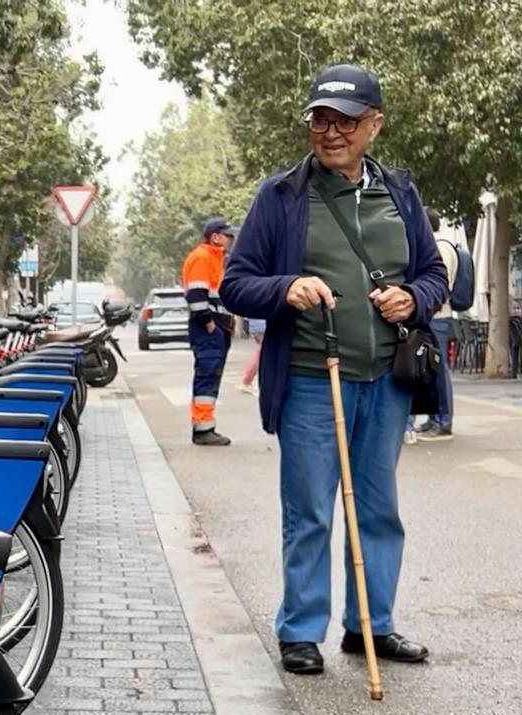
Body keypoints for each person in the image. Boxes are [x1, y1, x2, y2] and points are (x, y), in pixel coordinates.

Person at [220, 64, 448, 675]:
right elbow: (235, 283)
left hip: (386, 380)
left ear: (373, 124)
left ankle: (371, 626)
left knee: (377, 508)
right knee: (311, 508)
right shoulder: (282, 196)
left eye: (345, 121)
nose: (330, 132)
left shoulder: (399, 193)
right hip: (310, 379)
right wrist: (287, 286)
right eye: (321, 119)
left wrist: (414, 299)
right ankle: (300, 630)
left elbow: (433, 274)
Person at [183, 216, 239, 446]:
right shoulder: (202, 257)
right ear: (215, 237)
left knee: (211, 375)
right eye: (227, 235)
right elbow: (196, 295)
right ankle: (202, 429)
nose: (231, 239)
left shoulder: (215, 259)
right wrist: (209, 322)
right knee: (207, 374)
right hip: (209, 328)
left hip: (217, 327)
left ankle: (206, 426)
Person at [416, 207, 457, 441]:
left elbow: (440, 284)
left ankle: (444, 421)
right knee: (432, 370)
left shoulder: (441, 247)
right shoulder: (440, 245)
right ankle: (434, 418)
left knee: (439, 370)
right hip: (435, 316)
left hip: (438, 317)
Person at [239, 318, 266, 395]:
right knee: (260, 352)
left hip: (257, 324)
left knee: (261, 351)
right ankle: (247, 381)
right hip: (263, 324)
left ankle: (247, 381)